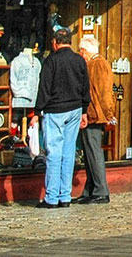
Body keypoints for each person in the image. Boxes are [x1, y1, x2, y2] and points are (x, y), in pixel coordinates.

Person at [32, 28, 88, 208]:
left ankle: (51, 197)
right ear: (70, 42)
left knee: (54, 154)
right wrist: (84, 110)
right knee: (68, 152)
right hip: (75, 109)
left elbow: (44, 88)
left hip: (55, 110)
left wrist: (37, 112)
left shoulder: (51, 61)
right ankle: (65, 196)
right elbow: (85, 86)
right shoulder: (79, 60)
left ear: (55, 43)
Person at [76, 35, 115, 204]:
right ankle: (91, 189)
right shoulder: (93, 64)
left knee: (94, 152)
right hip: (91, 114)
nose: (80, 54)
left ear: (85, 51)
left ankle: (100, 191)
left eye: (81, 51)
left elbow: (104, 92)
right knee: (89, 154)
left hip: (96, 115)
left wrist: (108, 114)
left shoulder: (98, 64)